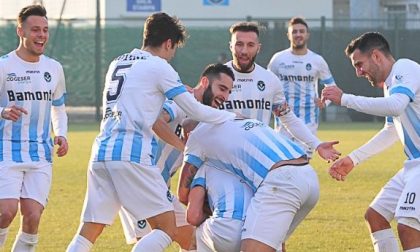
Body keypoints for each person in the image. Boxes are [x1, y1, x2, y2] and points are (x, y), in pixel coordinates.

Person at [66, 13, 236, 252]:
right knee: (167, 228)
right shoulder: (158, 66)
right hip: (132, 156)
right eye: (174, 48)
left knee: (89, 230)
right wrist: (233, 118)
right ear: (168, 43)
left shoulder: (118, 61)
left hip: (101, 153)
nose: (172, 54)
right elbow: (194, 108)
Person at [118, 63, 235, 251]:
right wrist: (185, 147)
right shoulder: (183, 99)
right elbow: (156, 121)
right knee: (153, 237)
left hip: (158, 185)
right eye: (222, 88)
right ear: (205, 82)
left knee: (192, 241)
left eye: (229, 91)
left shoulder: (203, 114)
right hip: (141, 180)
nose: (225, 96)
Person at [177, 116, 339, 252]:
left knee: (196, 239)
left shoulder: (205, 156)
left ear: (191, 135)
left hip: (281, 182)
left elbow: (189, 208)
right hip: (308, 176)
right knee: (275, 243)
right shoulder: (237, 129)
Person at [322, 32, 420, 252]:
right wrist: (354, 159)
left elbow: (395, 106)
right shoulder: (390, 85)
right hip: (414, 164)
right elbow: (391, 130)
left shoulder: (405, 68)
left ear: (376, 56)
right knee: (375, 217)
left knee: (408, 226)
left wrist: (344, 99)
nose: (358, 72)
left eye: (359, 64)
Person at [0, 4, 69, 251]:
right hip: (6, 150)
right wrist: (2, 112)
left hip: (40, 152)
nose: (41, 35)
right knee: (5, 212)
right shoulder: (4, 65)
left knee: (32, 216)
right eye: (35, 30)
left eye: (45, 30)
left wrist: (61, 133)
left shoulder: (54, 68)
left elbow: (58, 107)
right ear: (21, 31)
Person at [222, 21, 338, 162]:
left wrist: (316, 144)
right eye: (239, 44)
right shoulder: (215, 77)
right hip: (224, 157)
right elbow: (201, 113)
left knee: (300, 171)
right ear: (230, 46)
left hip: (258, 159)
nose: (244, 51)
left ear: (258, 48)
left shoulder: (269, 79)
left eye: (250, 45)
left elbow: (287, 117)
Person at [267, 17, 337, 154]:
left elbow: (331, 86)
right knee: (283, 159)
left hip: (309, 118)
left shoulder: (317, 60)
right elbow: (266, 83)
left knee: (303, 160)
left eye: (301, 31)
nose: (298, 34)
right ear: (288, 35)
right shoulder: (278, 59)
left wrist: (325, 102)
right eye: (294, 32)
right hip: (283, 118)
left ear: (307, 34)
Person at [187, 163, 253, 252]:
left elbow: (193, 217)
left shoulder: (206, 167)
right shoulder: (250, 165)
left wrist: (206, 216)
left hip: (225, 228)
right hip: (255, 229)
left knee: (194, 239)